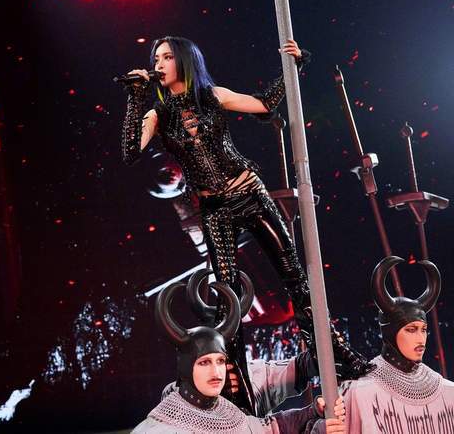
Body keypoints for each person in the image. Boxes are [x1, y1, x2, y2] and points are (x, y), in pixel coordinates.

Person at [121, 36, 370, 411]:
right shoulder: (157, 115)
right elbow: (129, 152)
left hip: (250, 194)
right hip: (214, 209)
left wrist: (293, 66)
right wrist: (135, 96)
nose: (159, 64)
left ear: (185, 61)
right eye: (156, 58)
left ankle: (337, 356)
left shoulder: (212, 95)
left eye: (167, 57)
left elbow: (265, 104)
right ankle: (235, 387)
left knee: (294, 278)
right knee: (227, 298)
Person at [132, 270, 346, 433]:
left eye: (220, 361)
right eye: (204, 362)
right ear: (187, 367)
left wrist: (314, 414)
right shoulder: (159, 428)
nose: (216, 372)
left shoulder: (233, 412)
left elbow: (271, 427)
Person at [341, 256, 454, 433]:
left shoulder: (447, 391)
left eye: (423, 330)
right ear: (390, 332)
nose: (421, 338)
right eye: (411, 330)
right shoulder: (358, 391)